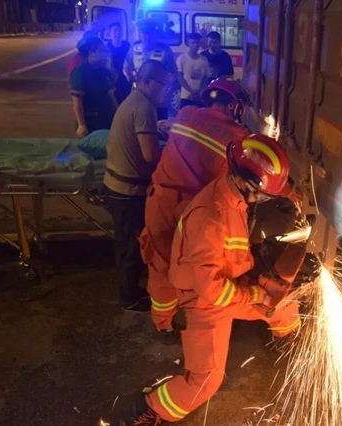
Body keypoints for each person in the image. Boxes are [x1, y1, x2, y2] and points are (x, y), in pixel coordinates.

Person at [102, 135, 301, 425]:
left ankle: (294, 348)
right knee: (206, 380)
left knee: (282, 302)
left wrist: (259, 291)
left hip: (224, 282)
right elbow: (213, 292)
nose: (262, 201)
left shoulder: (230, 191)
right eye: (263, 194)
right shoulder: (210, 217)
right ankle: (143, 411)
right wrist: (253, 295)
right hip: (203, 298)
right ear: (246, 183)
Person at [139, 78, 250, 344]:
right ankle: (198, 320)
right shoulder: (239, 138)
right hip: (193, 213)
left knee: (160, 265)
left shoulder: (185, 114)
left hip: (160, 203)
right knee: (197, 268)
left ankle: (163, 325)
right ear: (236, 107)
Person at [104, 60, 173, 313]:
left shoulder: (134, 100)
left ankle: (130, 290)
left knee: (127, 244)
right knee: (132, 246)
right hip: (128, 191)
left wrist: (158, 130)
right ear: (146, 82)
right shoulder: (144, 107)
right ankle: (129, 298)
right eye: (163, 84)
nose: (166, 90)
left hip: (119, 185)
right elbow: (151, 157)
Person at [123, 19, 177, 119]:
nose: (146, 37)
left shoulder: (165, 50)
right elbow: (126, 67)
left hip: (158, 97)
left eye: (149, 34)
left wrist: (166, 87)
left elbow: (173, 73)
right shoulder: (134, 48)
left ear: (154, 34)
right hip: (138, 95)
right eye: (143, 34)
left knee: (159, 125)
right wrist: (131, 79)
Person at [69, 37, 117, 138]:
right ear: (92, 53)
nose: (105, 54)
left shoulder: (101, 69)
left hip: (105, 118)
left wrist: (109, 68)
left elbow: (111, 89)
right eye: (102, 51)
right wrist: (81, 124)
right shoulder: (80, 71)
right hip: (91, 121)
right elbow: (77, 102)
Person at [176, 33, 211, 109]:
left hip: (199, 98)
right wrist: (191, 92)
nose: (195, 45)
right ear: (189, 43)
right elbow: (180, 78)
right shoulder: (182, 59)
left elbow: (205, 78)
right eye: (193, 43)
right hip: (186, 97)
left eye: (197, 43)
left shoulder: (204, 60)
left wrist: (199, 92)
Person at [106, 22, 131, 104]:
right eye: (115, 30)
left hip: (126, 80)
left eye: (119, 31)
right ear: (110, 33)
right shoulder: (107, 47)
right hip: (112, 81)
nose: (117, 33)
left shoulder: (127, 46)